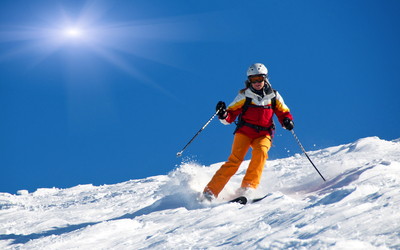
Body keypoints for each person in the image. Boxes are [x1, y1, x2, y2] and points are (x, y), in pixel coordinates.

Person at [203, 63, 294, 201]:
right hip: (244, 132)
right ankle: (209, 192)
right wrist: (222, 114)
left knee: (261, 152)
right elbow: (230, 116)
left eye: (259, 79)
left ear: (265, 78)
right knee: (235, 161)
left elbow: (284, 112)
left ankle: (248, 188)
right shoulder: (245, 96)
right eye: (253, 79)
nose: (257, 82)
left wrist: (287, 121)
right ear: (249, 80)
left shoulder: (273, 96)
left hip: (264, 134)